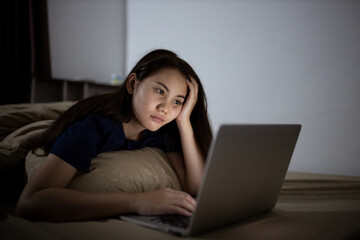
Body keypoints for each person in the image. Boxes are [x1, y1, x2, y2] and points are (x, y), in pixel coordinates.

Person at [15, 49, 213, 222]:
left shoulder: (162, 130)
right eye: (160, 91)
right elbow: (30, 202)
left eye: (177, 102)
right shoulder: (91, 128)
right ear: (133, 84)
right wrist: (139, 202)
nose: (165, 108)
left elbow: (195, 187)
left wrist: (184, 121)